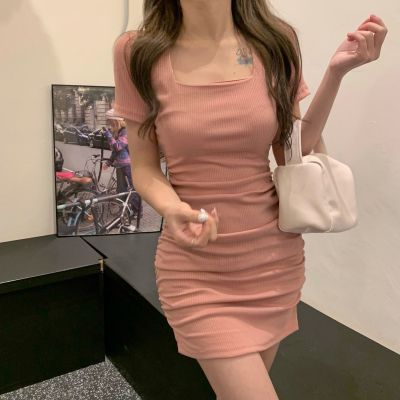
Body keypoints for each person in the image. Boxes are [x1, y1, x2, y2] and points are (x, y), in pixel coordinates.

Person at [112, 3, 385, 399]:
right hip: (196, 271)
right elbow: (144, 167)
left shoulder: (275, 41)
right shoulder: (136, 51)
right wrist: (172, 209)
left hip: (273, 263)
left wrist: (335, 73)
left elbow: (292, 152)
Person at [101, 109, 143, 219]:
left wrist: (107, 134)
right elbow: (116, 151)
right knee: (121, 191)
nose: (110, 125)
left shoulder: (125, 132)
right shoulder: (119, 132)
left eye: (111, 122)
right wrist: (109, 162)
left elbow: (118, 146)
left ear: (116, 121)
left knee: (133, 189)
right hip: (120, 166)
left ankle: (137, 212)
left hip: (128, 166)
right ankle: (123, 211)